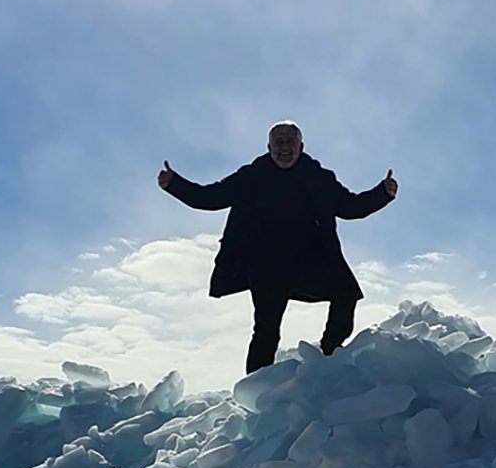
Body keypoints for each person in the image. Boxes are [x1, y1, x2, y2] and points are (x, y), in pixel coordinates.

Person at [158, 120, 398, 374]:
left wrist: (382, 193)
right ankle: (255, 389)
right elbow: (210, 197)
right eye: (278, 142)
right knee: (266, 328)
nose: (284, 147)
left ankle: (330, 355)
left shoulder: (319, 178)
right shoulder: (251, 176)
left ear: (301, 146)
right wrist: (174, 183)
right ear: (269, 146)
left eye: (290, 141)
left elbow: (351, 207)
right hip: (266, 263)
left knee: (347, 293)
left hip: (310, 259)